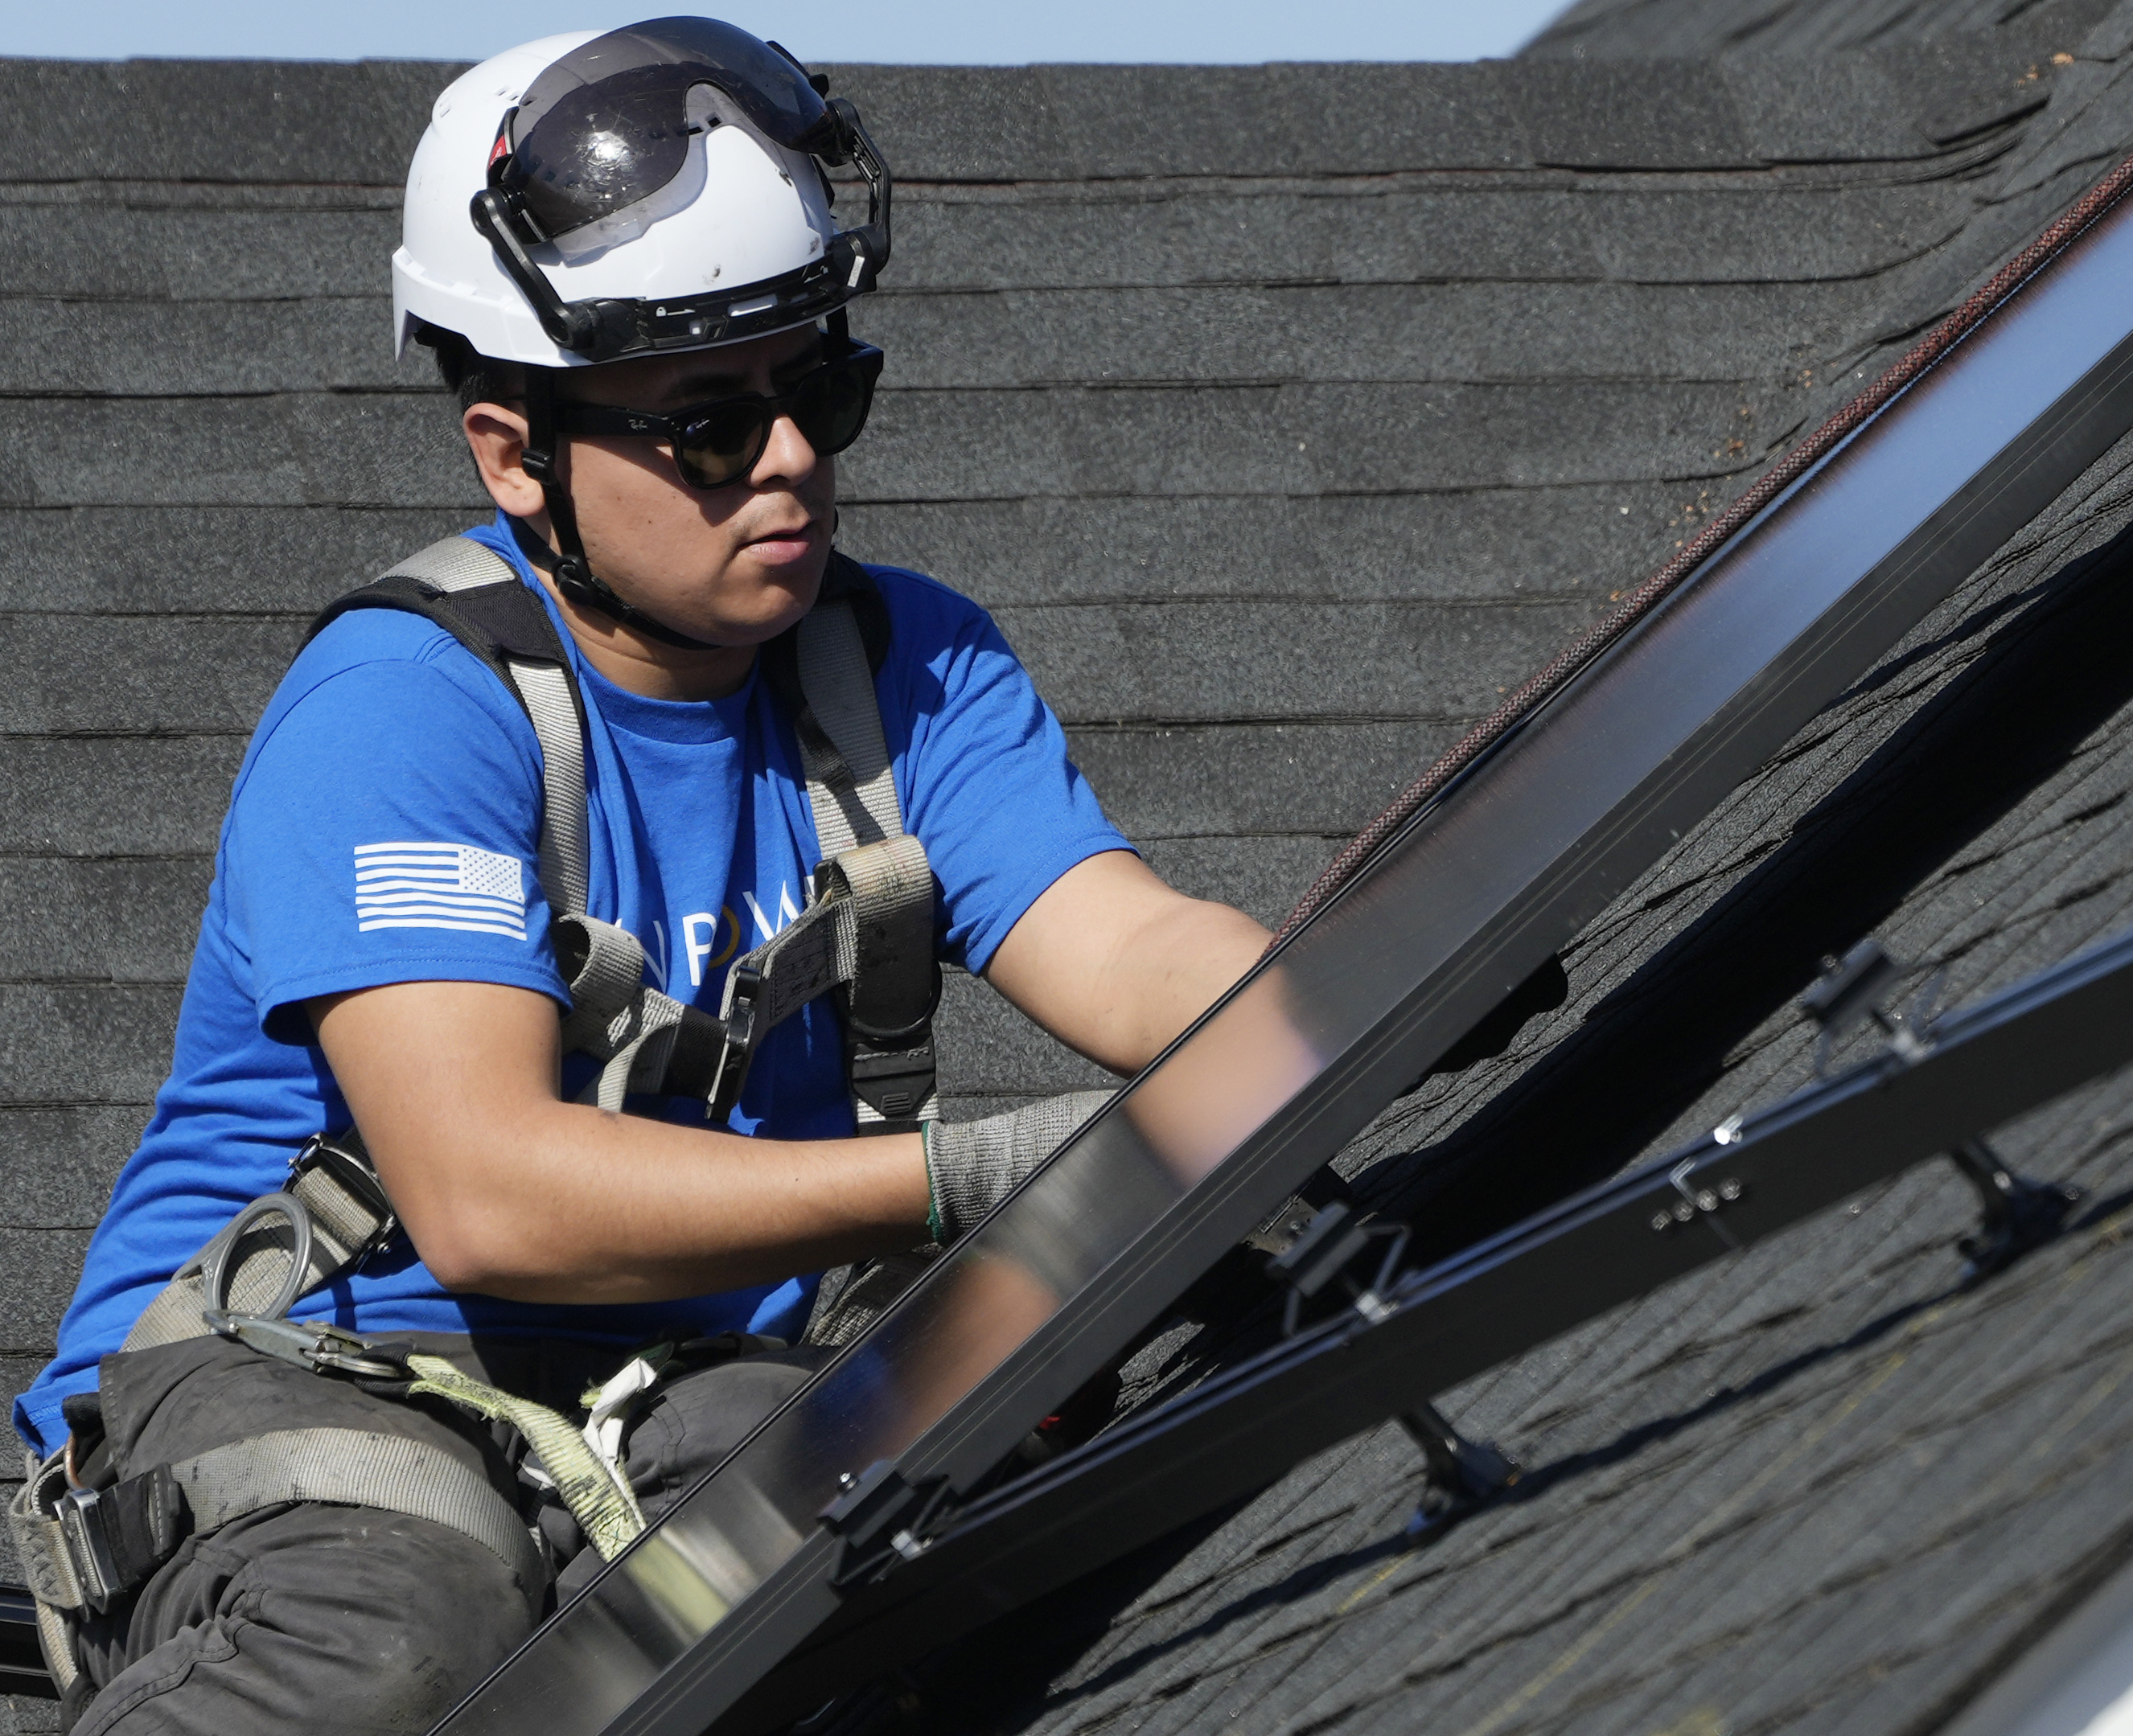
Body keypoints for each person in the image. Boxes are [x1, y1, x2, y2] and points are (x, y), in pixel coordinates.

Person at [5, 20, 1268, 1732]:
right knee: (408, 1623)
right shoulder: (408, 710)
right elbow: (487, 1196)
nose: (791, 463)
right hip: (311, 1369)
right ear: (514, 454)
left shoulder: (908, 672)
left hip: (662, 1375)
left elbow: (1134, 952)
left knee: (884, 1543)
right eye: (704, 426)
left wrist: (1353, 995)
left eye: (820, 389)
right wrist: (970, 1176)